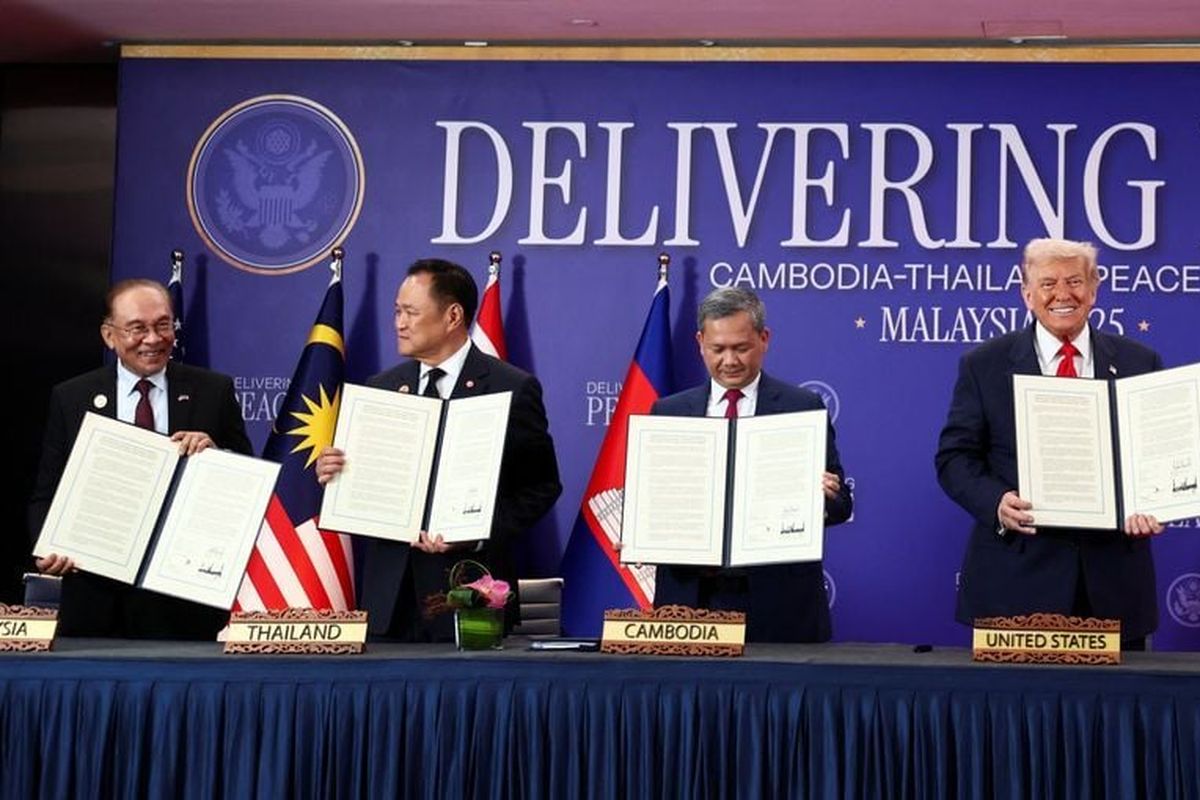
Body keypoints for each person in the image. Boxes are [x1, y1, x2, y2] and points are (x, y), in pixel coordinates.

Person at [936, 238, 1164, 649]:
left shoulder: (1139, 362)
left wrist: (1156, 501)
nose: (1063, 294)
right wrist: (996, 503)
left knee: (1111, 713)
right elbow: (954, 458)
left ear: (1094, 289)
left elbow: (1156, 456)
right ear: (1027, 294)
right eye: (1047, 283)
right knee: (1010, 712)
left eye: (1075, 281)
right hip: (1015, 581)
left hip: (1113, 585)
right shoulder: (983, 364)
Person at [316, 258, 561, 641]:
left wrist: (477, 532)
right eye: (397, 311)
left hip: (468, 593)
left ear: (453, 316)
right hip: (389, 601)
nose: (399, 322)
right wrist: (335, 472)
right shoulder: (380, 388)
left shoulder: (510, 387)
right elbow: (366, 483)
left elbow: (542, 487)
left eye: (411, 312)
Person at [29, 278, 252, 638]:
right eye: (137, 328)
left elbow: (245, 479)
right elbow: (46, 493)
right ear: (109, 335)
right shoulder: (72, 397)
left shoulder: (214, 391)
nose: (153, 338)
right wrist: (48, 548)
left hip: (182, 598)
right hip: (92, 594)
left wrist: (215, 454)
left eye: (163, 325)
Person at [650, 286, 853, 643]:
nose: (729, 360)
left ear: (764, 338)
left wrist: (825, 498)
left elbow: (840, 506)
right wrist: (641, 531)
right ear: (700, 342)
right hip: (690, 602)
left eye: (741, 348)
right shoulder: (667, 411)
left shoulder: (802, 407)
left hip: (777, 605)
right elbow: (656, 500)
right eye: (718, 349)